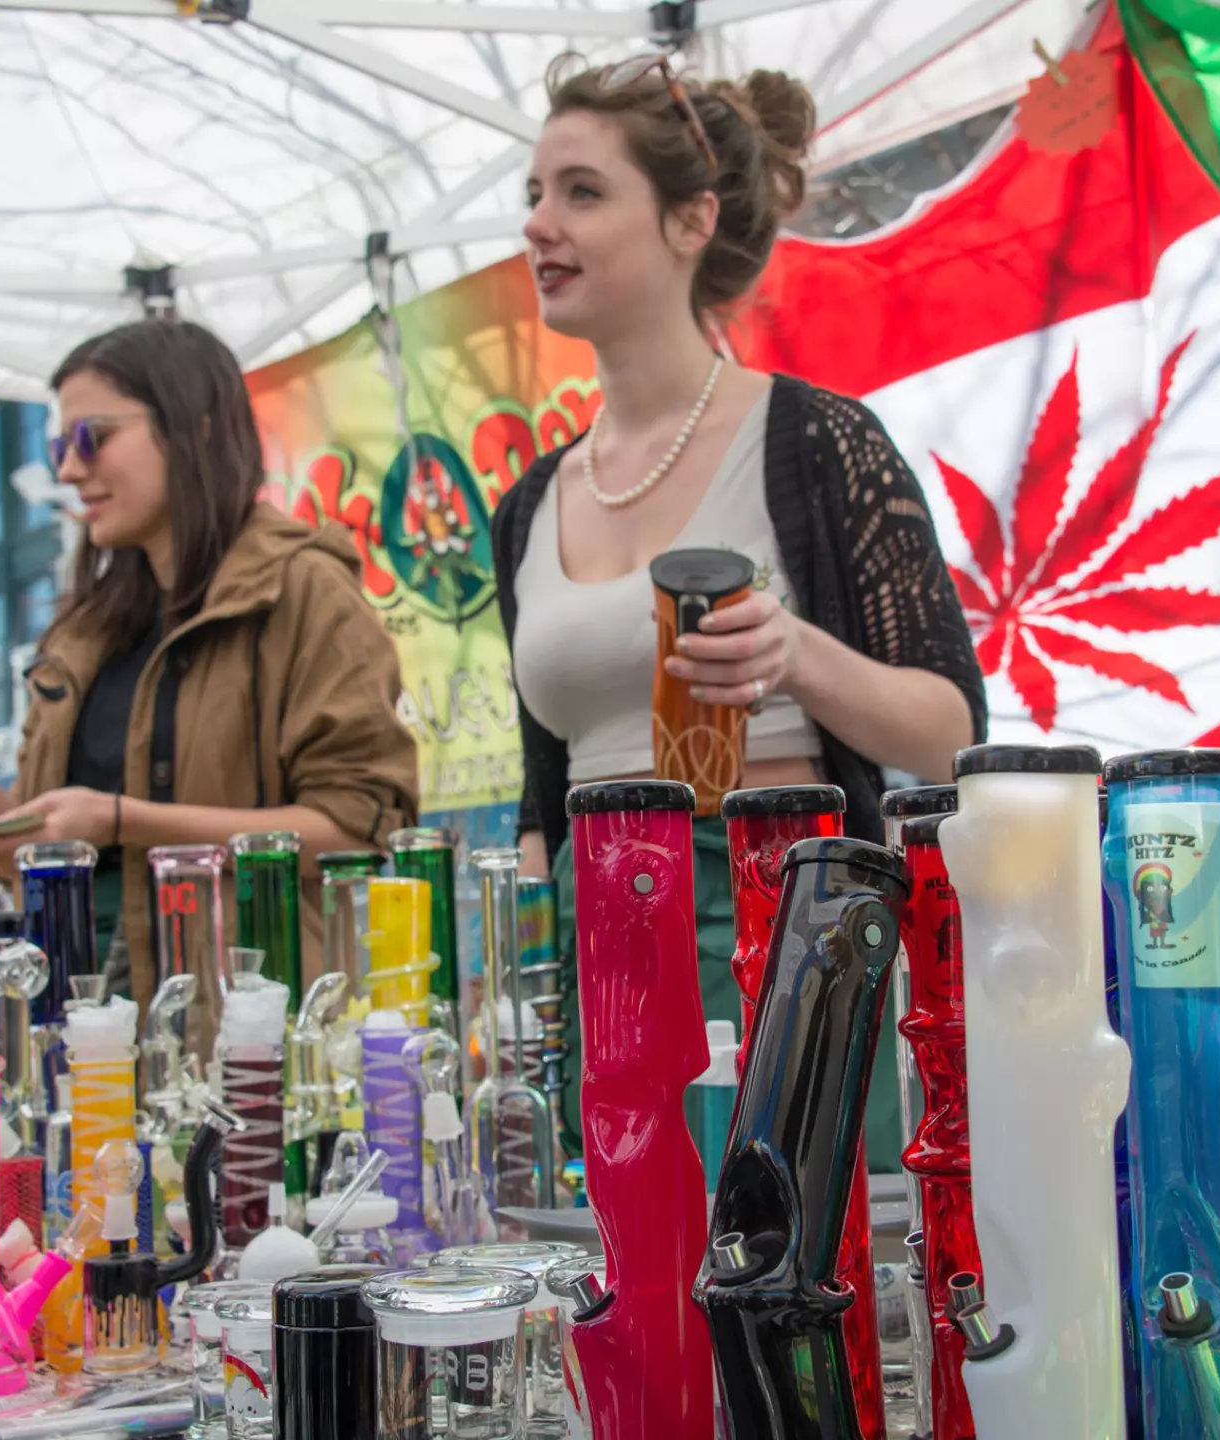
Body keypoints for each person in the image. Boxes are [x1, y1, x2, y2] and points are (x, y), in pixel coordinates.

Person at [494, 56, 988, 1158]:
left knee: (795, 1280)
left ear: (690, 219)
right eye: (532, 194)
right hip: (601, 935)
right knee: (634, 1277)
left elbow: (954, 731)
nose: (539, 224)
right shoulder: (529, 502)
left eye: (581, 191)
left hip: (778, 911)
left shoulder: (817, 440)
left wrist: (797, 654)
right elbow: (541, 792)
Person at [0, 319, 420, 1015]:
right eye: (58, 446)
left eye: (90, 438)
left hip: (246, 1031)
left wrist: (122, 818)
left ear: (193, 427)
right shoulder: (87, 628)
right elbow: (29, 861)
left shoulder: (303, 590)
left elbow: (356, 833)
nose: (69, 470)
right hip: (79, 1025)